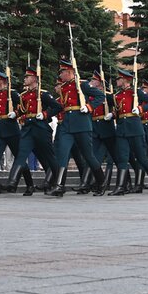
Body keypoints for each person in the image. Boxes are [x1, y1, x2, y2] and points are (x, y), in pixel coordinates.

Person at [46, 59, 106, 197]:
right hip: (67, 124)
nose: (60, 75)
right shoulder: (64, 87)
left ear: (69, 72)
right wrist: (46, 114)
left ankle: (101, 182)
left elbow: (100, 96)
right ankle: (59, 185)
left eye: (62, 72)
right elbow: (61, 106)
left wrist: (89, 107)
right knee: (62, 154)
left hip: (82, 123)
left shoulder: (82, 85)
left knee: (88, 156)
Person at [2, 65, 62, 195]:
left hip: (41, 128)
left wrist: (45, 114)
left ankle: (56, 183)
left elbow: (58, 107)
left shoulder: (43, 94)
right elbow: (23, 110)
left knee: (48, 157)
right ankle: (12, 182)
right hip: (28, 129)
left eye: (27, 77)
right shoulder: (24, 95)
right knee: (21, 154)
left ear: (35, 78)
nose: (25, 79)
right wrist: (16, 113)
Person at [103, 69, 148, 195]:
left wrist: (140, 108)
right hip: (122, 129)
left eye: (119, 79)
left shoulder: (135, 93)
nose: (117, 81)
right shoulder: (117, 95)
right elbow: (119, 112)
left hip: (135, 128)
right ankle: (120, 187)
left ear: (125, 80)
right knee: (122, 158)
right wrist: (112, 115)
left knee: (142, 158)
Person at [0, 68, 35, 196]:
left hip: (12, 131)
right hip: (0, 131)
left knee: (20, 159)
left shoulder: (13, 94)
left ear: (2, 81)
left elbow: (24, 107)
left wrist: (17, 113)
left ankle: (30, 185)